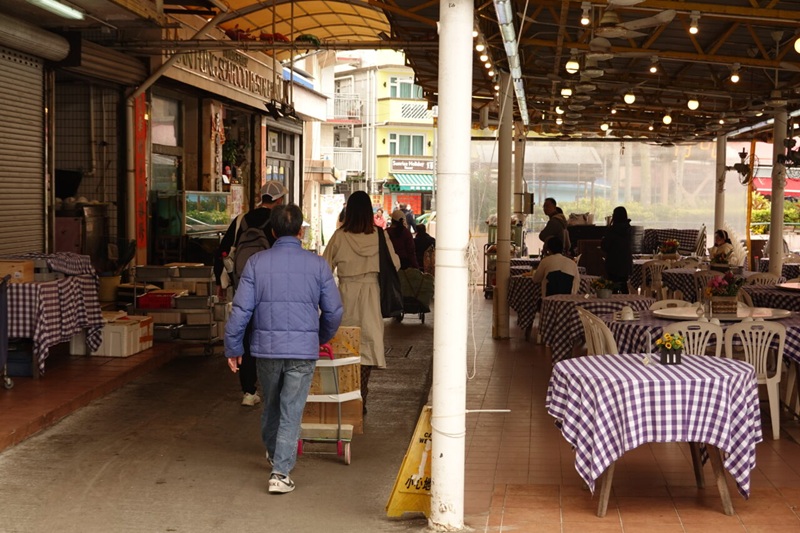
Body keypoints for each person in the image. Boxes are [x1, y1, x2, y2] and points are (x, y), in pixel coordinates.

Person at [224, 204, 343, 494]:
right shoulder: (317, 265)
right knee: (292, 408)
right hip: (303, 351)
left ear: (273, 231)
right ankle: (280, 472)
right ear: (301, 231)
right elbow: (334, 311)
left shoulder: (256, 263)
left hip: (266, 350)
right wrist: (319, 337)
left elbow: (240, 310)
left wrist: (233, 347)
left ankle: (275, 452)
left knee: (273, 404)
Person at [323, 191, 400, 414]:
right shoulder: (379, 235)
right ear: (368, 212)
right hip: (372, 294)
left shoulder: (339, 236)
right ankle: (361, 395)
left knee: (345, 346)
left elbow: (325, 269)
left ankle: (346, 395)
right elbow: (395, 264)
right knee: (366, 346)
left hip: (346, 294)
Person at [214, 180, 288, 406]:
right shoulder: (279, 222)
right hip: (272, 290)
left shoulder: (240, 221)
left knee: (245, 336)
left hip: (244, 286)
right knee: (270, 335)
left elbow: (223, 252)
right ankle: (274, 388)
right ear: (279, 200)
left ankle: (248, 391)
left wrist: (221, 282)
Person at [601, 206, 633, 293]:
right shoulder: (629, 229)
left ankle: (614, 304)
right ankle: (626, 303)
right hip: (626, 263)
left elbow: (605, 246)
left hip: (613, 263)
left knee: (612, 287)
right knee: (624, 285)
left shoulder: (611, 230)